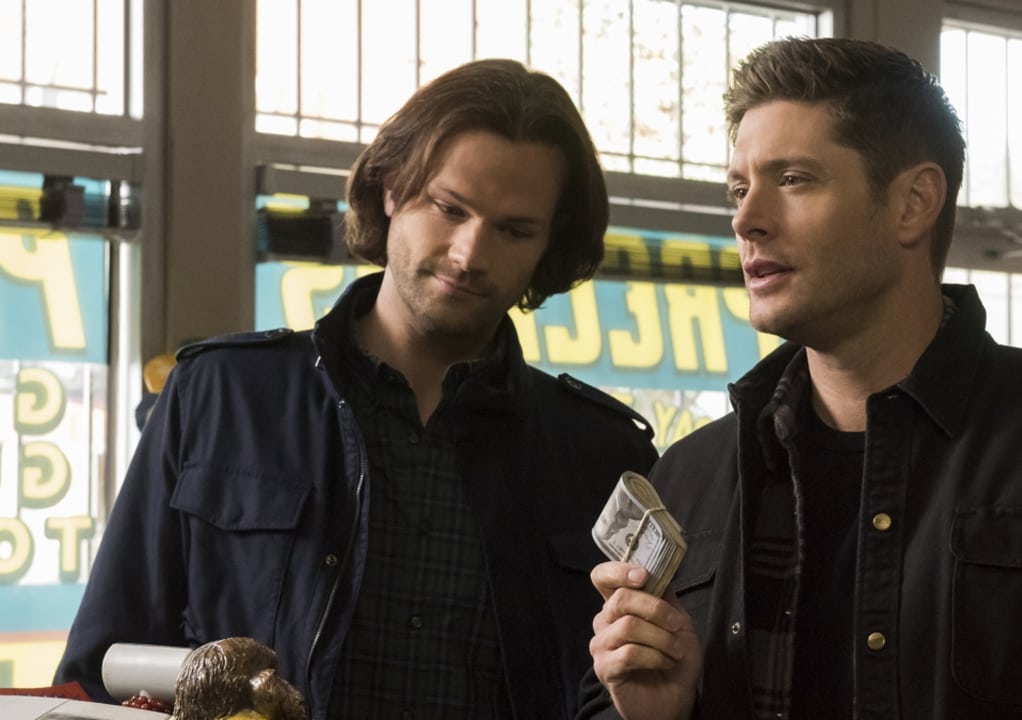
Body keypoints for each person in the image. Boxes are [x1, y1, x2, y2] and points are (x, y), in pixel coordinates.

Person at [580, 37, 1022, 720]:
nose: (747, 220)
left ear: (914, 203)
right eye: (739, 188)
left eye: (793, 180)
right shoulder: (689, 480)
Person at [55, 58, 657, 720]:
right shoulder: (220, 396)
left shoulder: (599, 456)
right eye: (449, 208)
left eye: (514, 230)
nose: (469, 253)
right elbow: (102, 675)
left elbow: (634, 694)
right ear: (392, 188)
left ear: (550, 244)